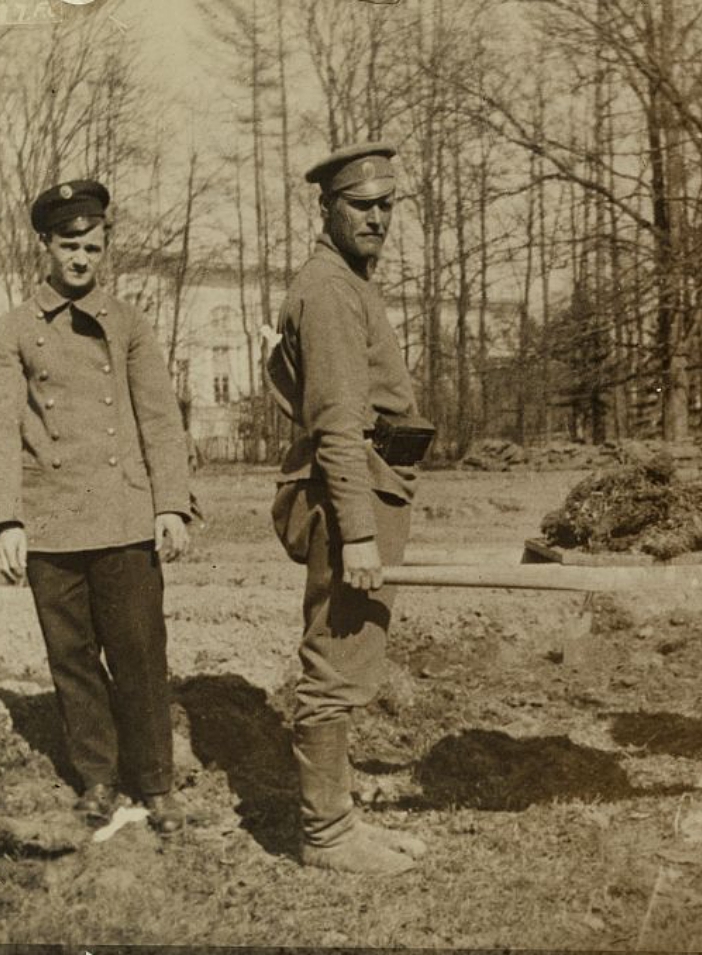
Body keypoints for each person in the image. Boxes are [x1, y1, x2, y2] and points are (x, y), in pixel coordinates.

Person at [0, 180, 191, 834]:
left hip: (125, 517)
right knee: (71, 659)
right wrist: (6, 519)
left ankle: (154, 781)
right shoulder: (15, 328)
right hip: (51, 520)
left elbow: (160, 419)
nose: (81, 258)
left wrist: (172, 505)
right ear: (45, 244)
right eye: (69, 244)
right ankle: (98, 778)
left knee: (139, 653)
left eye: (92, 246)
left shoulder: (127, 322)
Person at [268, 142, 434, 875]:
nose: (377, 218)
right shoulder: (330, 290)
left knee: (350, 656)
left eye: (387, 204)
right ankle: (327, 835)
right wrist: (359, 534)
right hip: (351, 501)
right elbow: (336, 424)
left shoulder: (348, 281)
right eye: (361, 205)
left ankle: (338, 818)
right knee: (334, 662)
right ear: (328, 208)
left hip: (370, 491)